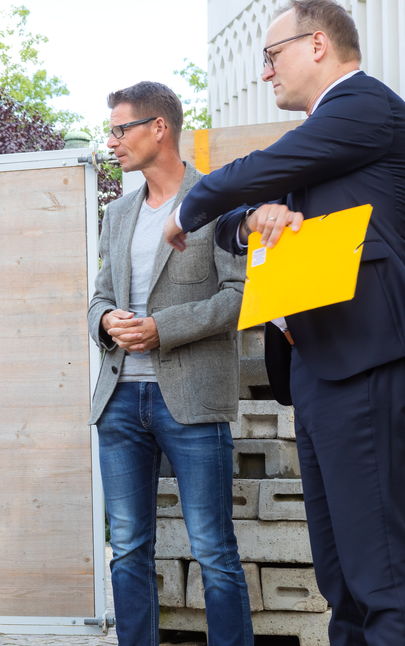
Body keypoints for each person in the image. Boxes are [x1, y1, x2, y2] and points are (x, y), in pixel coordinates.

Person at [163, 0, 405, 646]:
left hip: (366, 354)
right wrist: (250, 217)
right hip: (319, 364)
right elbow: (248, 218)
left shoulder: (363, 108)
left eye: (272, 55)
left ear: (318, 44)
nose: (266, 72)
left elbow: (260, 170)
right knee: (340, 578)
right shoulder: (323, 152)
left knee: (379, 575)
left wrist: (192, 206)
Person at [88, 82, 253, 646]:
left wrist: (163, 330)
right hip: (118, 402)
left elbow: (238, 298)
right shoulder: (117, 212)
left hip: (191, 398)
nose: (111, 141)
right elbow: (99, 297)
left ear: (158, 128)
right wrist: (107, 320)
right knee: (128, 547)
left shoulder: (218, 202)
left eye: (119, 128)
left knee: (213, 548)